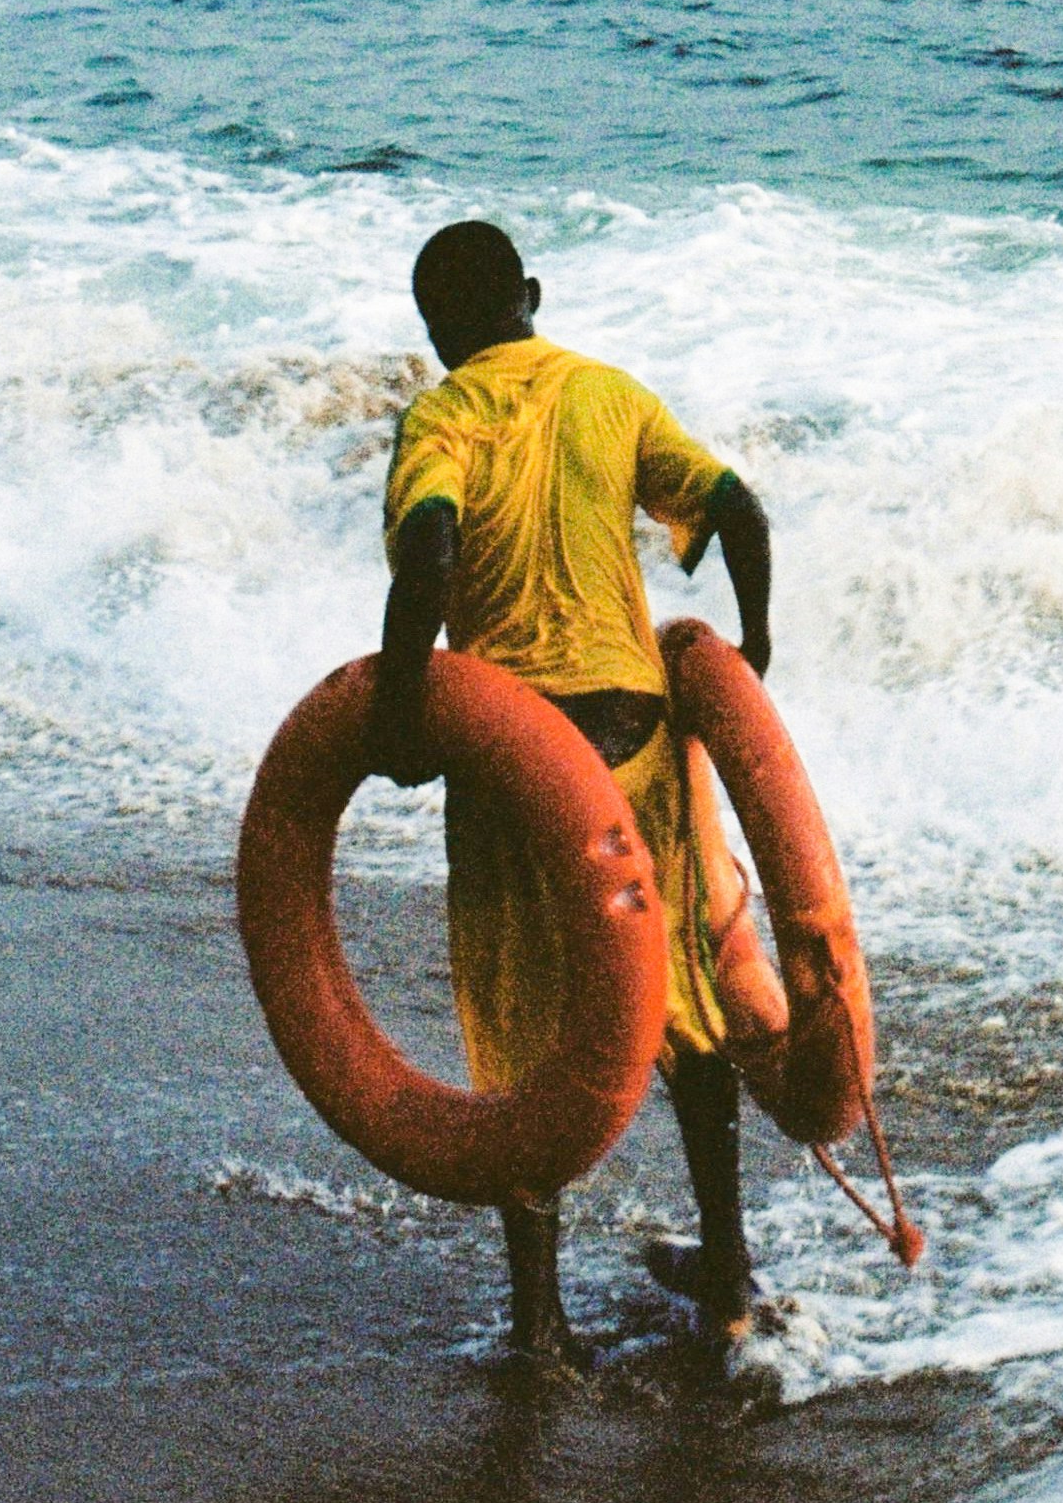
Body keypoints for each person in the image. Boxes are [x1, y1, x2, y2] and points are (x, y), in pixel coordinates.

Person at [365, 218, 776, 1372]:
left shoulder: (442, 416)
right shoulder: (612, 395)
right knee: (681, 996)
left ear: (436, 328)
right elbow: (738, 509)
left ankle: (540, 1327)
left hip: (515, 757)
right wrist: (752, 647)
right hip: (635, 740)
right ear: (531, 295)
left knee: (514, 1027)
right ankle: (728, 1276)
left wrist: (401, 717)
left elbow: (431, 552)